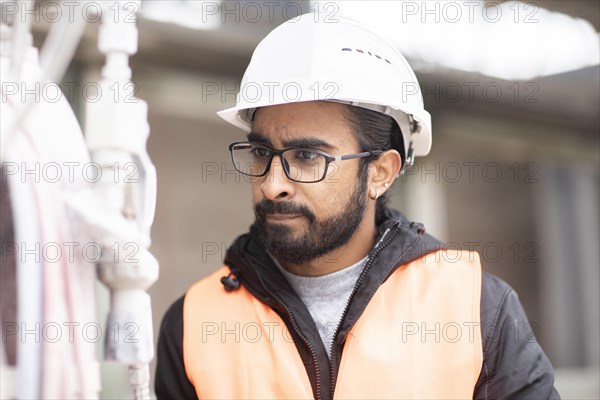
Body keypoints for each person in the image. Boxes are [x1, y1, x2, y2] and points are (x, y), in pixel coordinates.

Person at [155, 13, 559, 399]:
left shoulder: (476, 307)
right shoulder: (194, 321)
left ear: (380, 172)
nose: (273, 184)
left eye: (308, 157)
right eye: (261, 152)